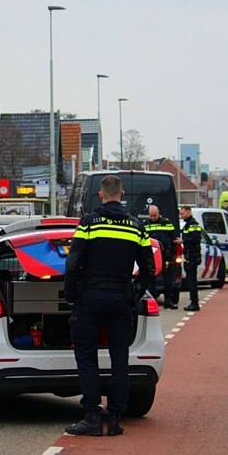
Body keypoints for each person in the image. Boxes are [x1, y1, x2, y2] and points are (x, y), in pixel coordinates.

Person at [63, 175, 155, 437]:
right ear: (122, 194)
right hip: (120, 299)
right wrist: (134, 293)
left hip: (90, 298)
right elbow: (149, 267)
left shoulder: (89, 223)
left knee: (87, 356)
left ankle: (92, 417)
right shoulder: (137, 227)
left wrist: (72, 295)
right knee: (120, 358)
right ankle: (115, 418)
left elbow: (73, 262)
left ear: (100, 196)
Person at [143, 204, 180, 309]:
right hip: (152, 257)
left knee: (168, 280)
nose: (153, 217)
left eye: (155, 215)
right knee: (151, 280)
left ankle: (168, 300)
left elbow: (173, 239)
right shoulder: (145, 225)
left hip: (166, 256)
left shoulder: (167, 223)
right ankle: (152, 301)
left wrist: (171, 254)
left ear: (159, 213)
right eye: (151, 216)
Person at [179, 205, 203, 311]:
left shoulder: (193, 224)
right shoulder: (188, 224)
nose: (181, 215)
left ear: (188, 212)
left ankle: (194, 303)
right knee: (190, 280)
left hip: (192, 256)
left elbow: (195, 238)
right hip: (189, 255)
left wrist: (183, 241)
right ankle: (193, 302)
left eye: (182, 213)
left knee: (192, 280)